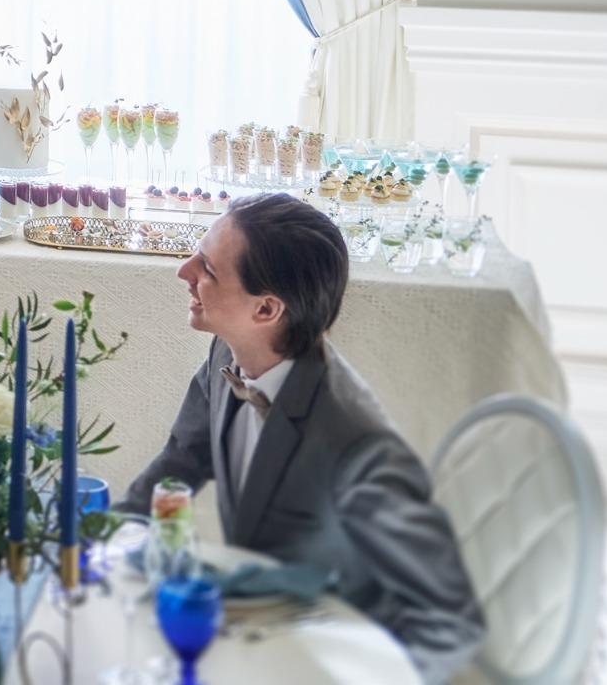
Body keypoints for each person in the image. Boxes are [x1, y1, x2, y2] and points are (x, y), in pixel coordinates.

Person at [120, 193, 486, 684]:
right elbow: (180, 462)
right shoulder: (225, 356)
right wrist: (105, 536)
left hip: (332, 659)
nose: (183, 271)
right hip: (254, 640)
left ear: (266, 309)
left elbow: (450, 620)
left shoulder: (356, 440)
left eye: (207, 268)